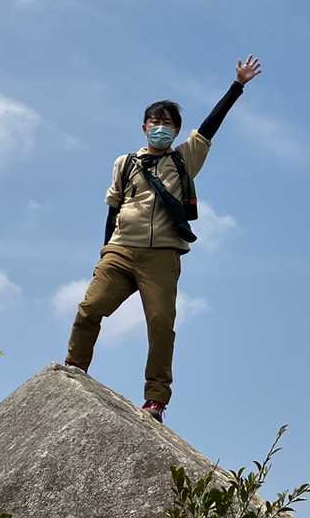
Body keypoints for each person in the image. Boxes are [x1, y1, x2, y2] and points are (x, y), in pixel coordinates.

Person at [64, 56, 262, 422]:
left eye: (168, 124)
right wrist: (105, 250)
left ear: (177, 130)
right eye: (155, 122)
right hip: (121, 249)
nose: (161, 128)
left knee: (159, 324)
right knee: (90, 308)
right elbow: (113, 208)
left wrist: (237, 86)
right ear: (144, 126)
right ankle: (74, 368)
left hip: (162, 256)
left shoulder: (184, 160)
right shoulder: (125, 163)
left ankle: (155, 398)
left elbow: (210, 127)